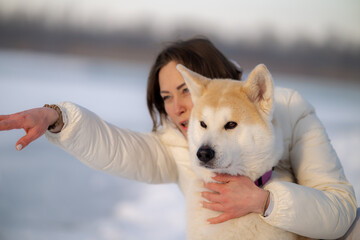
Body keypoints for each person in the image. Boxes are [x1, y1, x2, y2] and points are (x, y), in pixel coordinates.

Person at [0, 37, 358, 239]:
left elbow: (341, 213)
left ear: (209, 81)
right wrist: (58, 117)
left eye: (185, 90)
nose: (178, 109)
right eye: (166, 97)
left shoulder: (290, 109)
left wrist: (265, 201)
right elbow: (116, 147)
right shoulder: (177, 142)